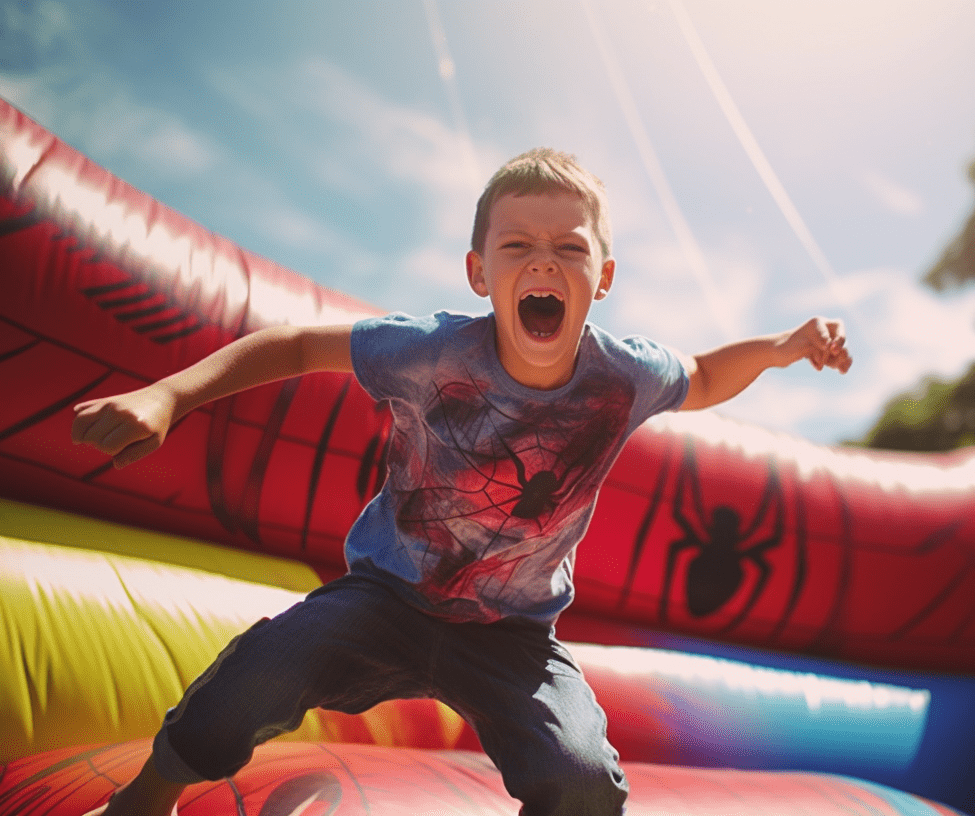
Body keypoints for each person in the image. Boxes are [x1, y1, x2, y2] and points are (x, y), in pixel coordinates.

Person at [71, 147, 852, 816]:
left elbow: (708, 372)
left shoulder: (624, 376)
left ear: (602, 276)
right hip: (387, 599)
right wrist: (169, 394)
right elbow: (300, 345)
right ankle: (145, 797)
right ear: (480, 273)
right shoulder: (432, 351)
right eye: (517, 246)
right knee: (261, 670)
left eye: (569, 249)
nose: (544, 262)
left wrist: (783, 345)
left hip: (513, 634)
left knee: (580, 779)